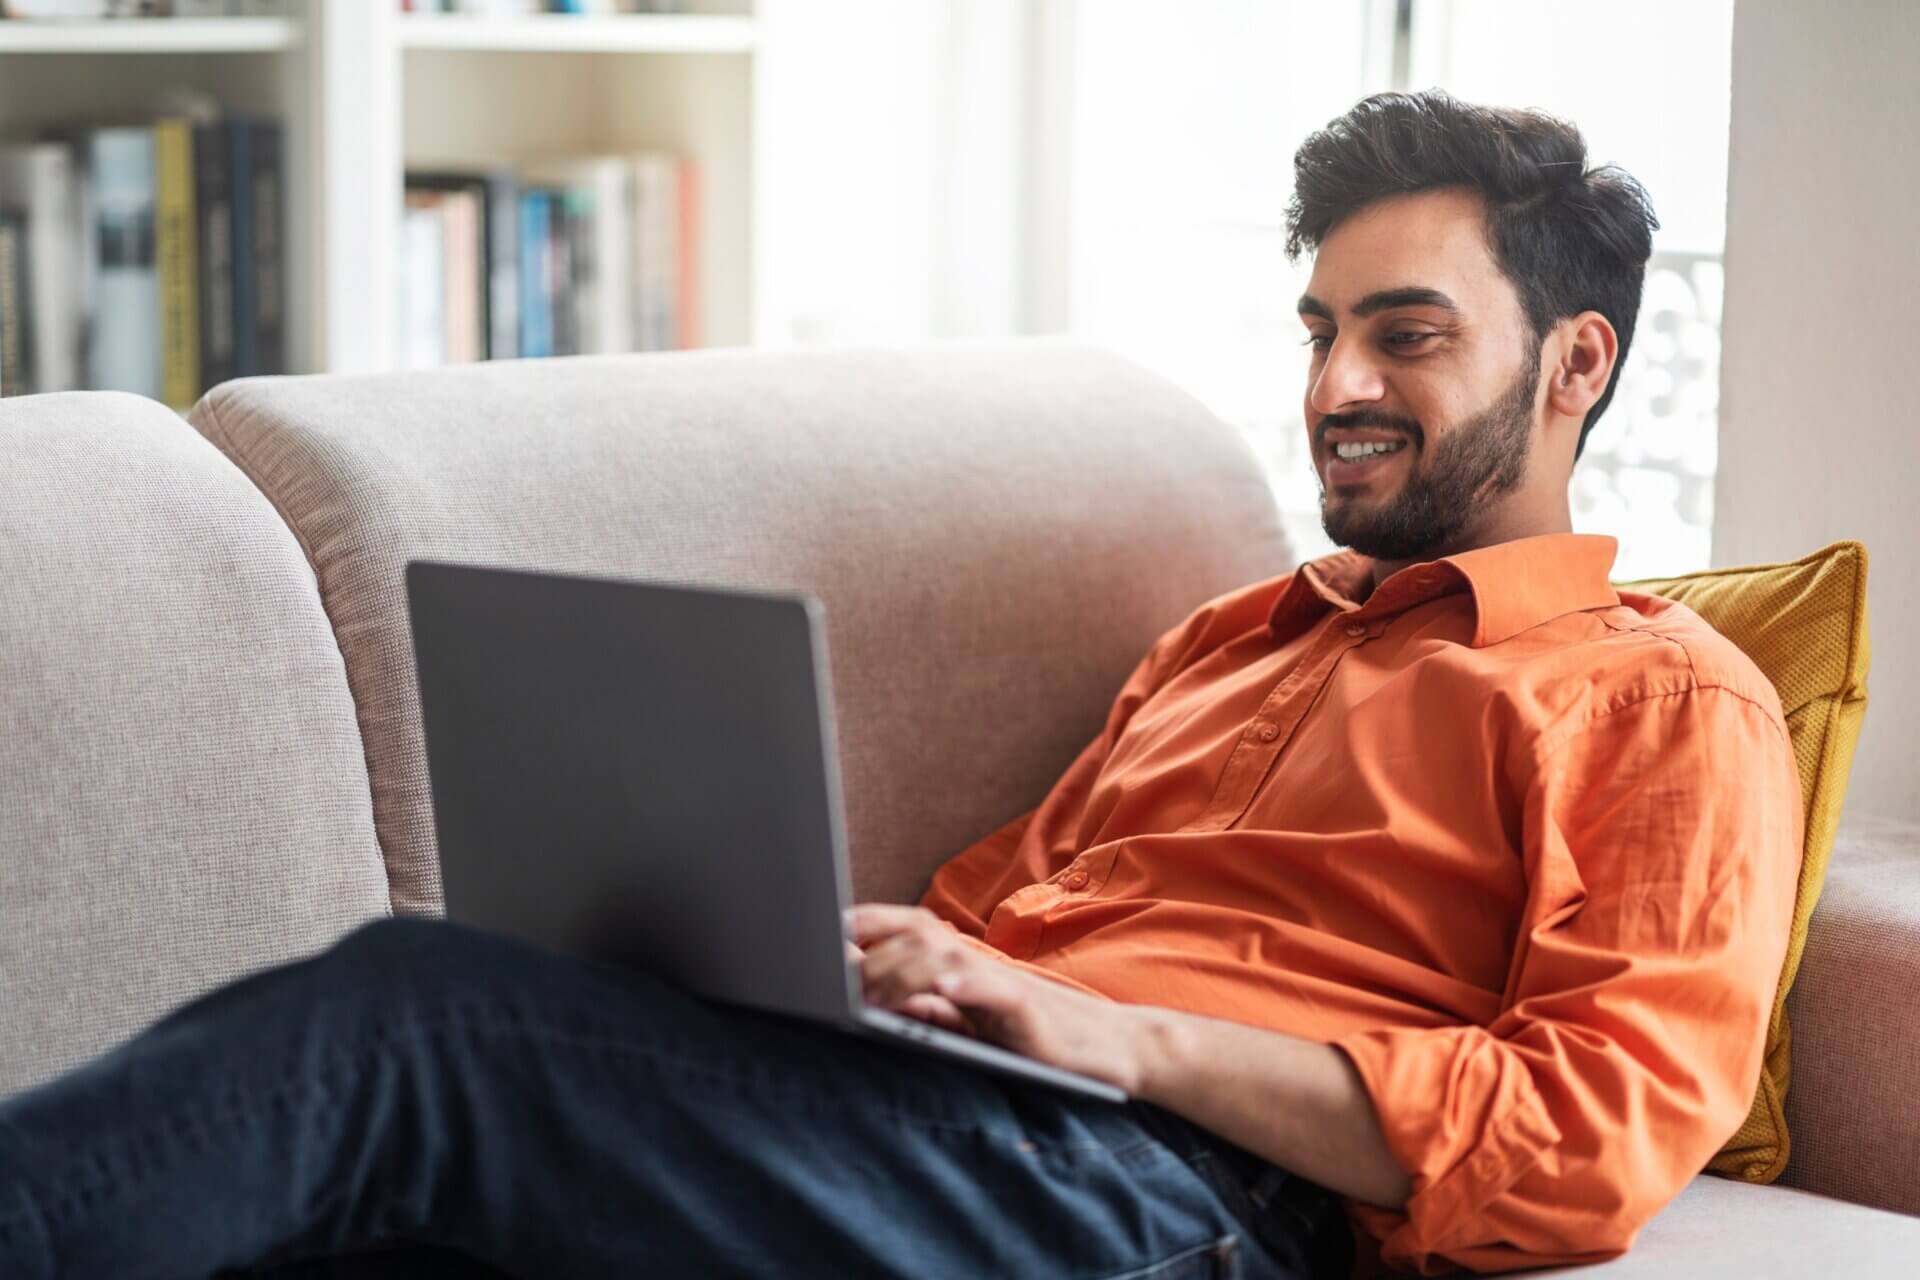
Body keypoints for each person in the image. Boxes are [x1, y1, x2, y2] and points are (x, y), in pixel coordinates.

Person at [0, 90, 1800, 1279]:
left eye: (1406, 334)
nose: (1338, 381)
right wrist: (810, 973)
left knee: (415, 1024)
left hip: (1186, 1195)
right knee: (359, 1200)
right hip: (966, 1122)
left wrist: (1123, 1040)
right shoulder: (1238, 637)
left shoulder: (1658, 703)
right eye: (1320, 330)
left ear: (1575, 362)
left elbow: (1589, 1134)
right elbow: (994, 924)